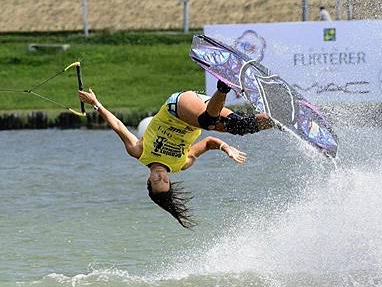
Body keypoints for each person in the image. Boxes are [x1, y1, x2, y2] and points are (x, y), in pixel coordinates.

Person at [78, 80, 273, 229]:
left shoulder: (139, 152)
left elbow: (118, 126)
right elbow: (208, 143)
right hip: (203, 112)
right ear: (170, 181)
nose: (160, 177)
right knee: (242, 126)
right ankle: (281, 121)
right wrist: (227, 148)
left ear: (149, 180)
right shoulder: (181, 164)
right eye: (164, 181)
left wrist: (96, 104)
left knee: (208, 122)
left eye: (156, 181)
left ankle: (223, 86)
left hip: (177, 108)